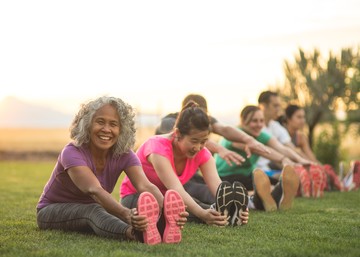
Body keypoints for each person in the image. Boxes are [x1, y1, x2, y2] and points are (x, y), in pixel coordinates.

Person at [36, 96, 187, 245]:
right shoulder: (72, 152)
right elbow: (94, 190)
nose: (106, 129)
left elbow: (145, 185)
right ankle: (134, 234)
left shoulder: (124, 154)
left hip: (95, 207)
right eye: (100, 122)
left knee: (127, 211)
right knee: (95, 210)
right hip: (51, 210)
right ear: (87, 124)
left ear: (121, 129)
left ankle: (158, 229)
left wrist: (167, 209)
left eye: (113, 124)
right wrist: (126, 214)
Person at [121, 101, 250, 226]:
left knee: (205, 208)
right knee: (192, 211)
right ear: (178, 134)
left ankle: (230, 216)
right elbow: (175, 188)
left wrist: (234, 207)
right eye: (194, 141)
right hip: (136, 197)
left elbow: (218, 188)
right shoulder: (157, 148)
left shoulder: (203, 153)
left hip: (171, 199)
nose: (198, 147)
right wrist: (203, 214)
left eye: (203, 141)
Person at [215, 105, 300, 211]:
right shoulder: (234, 134)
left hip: (248, 175)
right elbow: (259, 149)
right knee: (262, 187)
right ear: (243, 121)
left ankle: (272, 196)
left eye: (261, 121)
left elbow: (281, 147)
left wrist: (302, 161)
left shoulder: (261, 135)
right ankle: (264, 196)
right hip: (226, 176)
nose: (259, 125)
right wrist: (282, 159)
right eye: (254, 121)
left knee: (274, 183)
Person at [256, 91, 322, 197]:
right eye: (275, 105)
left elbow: (290, 149)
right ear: (263, 106)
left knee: (301, 175)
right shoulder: (256, 128)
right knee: (294, 179)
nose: (278, 109)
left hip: (271, 169)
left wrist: (310, 164)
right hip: (259, 171)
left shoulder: (275, 126)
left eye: (279, 106)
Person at [280, 104, 344, 193]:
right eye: (299, 117)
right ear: (288, 119)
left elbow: (310, 156)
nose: (302, 120)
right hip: (282, 167)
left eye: (303, 117)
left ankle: (337, 181)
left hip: (298, 166)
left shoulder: (301, 137)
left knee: (324, 169)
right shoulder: (280, 133)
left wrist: (320, 167)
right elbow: (295, 154)